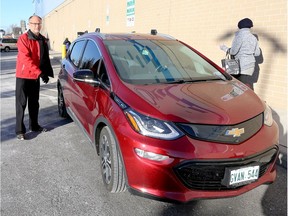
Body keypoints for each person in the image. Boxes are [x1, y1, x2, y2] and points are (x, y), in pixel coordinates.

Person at [15, 15, 54, 140]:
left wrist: (45, 73)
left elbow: (44, 58)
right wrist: (39, 73)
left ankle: (34, 125)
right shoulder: (23, 39)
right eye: (34, 23)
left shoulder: (42, 39)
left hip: (35, 76)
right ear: (29, 24)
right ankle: (20, 130)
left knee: (34, 103)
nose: (37, 26)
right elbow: (25, 59)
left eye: (39, 24)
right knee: (21, 104)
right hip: (23, 76)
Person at [220, 18, 261, 89]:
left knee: (238, 88)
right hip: (251, 66)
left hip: (241, 66)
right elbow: (257, 53)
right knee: (247, 86)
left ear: (239, 27)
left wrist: (224, 48)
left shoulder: (239, 36)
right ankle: (251, 99)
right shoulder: (253, 38)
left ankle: (244, 100)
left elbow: (233, 52)